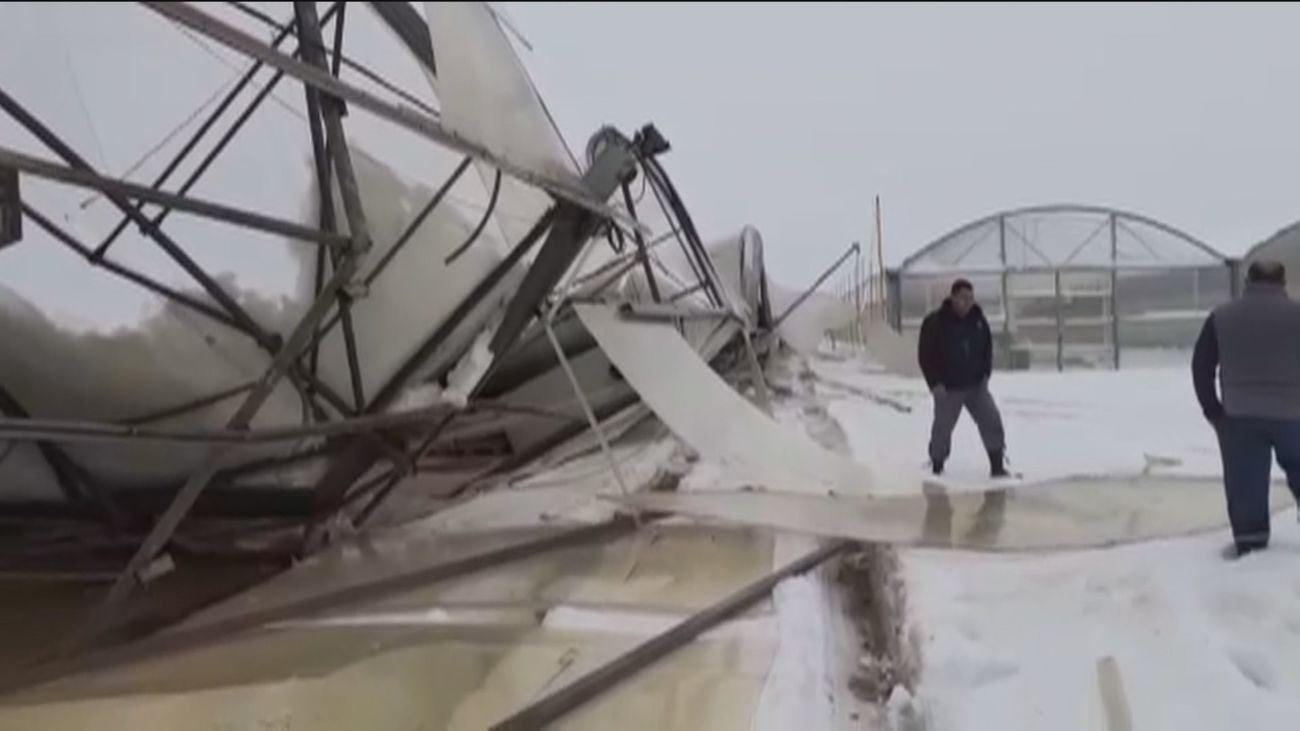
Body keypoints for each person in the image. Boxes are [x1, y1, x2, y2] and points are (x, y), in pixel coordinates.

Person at [1193, 259, 1300, 558]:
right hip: (1294, 413)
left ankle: (1251, 544)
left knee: (1245, 482)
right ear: (1282, 282)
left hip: (1239, 415)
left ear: (1247, 281)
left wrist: (1212, 410)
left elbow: (1201, 365)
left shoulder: (1222, 316)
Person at [917, 279, 1008, 478]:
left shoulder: (978, 320)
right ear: (953, 297)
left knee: (991, 420)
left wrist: (985, 374)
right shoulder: (935, 322)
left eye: (970, 298)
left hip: (976, 385)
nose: (968, 303)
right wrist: (934, 383)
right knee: (942, 428)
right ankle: (937, 465)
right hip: (948, 388)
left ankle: (997, 465)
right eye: (963, 298)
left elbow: (987, 349)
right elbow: (925, 356)